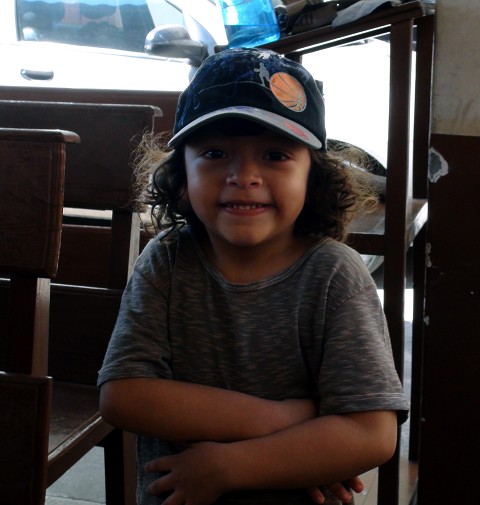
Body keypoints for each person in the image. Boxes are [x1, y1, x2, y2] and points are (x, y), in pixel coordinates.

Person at [97, 47, 409, 505]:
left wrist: (228, 468)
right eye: (215, 153)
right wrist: (284, 422)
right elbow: (123, 395)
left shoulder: (334, 275)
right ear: (180, 177)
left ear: (314, 179)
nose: (244, 176)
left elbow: (373, 433)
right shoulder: (166, 261)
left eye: (275, 154)